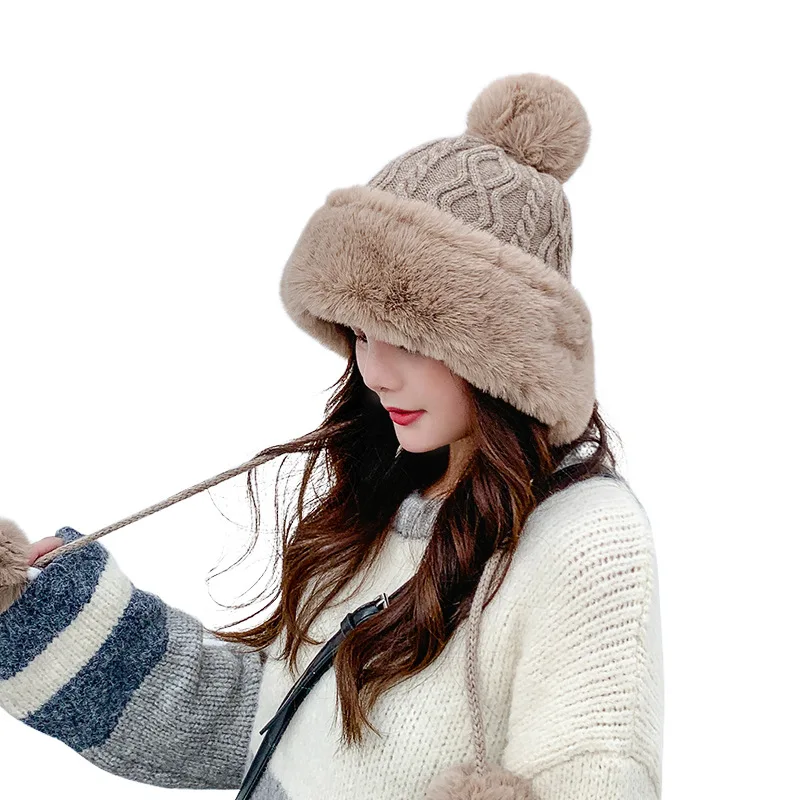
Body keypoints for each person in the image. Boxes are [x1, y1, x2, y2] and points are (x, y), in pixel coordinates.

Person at [0, 72, 664, 799]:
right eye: (360, 334)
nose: (374, 373)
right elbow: (279, 731)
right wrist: (42, 616)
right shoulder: (395, 497)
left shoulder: (586, 540)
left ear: (499, 354)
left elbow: (598, 776)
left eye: (411, 338)